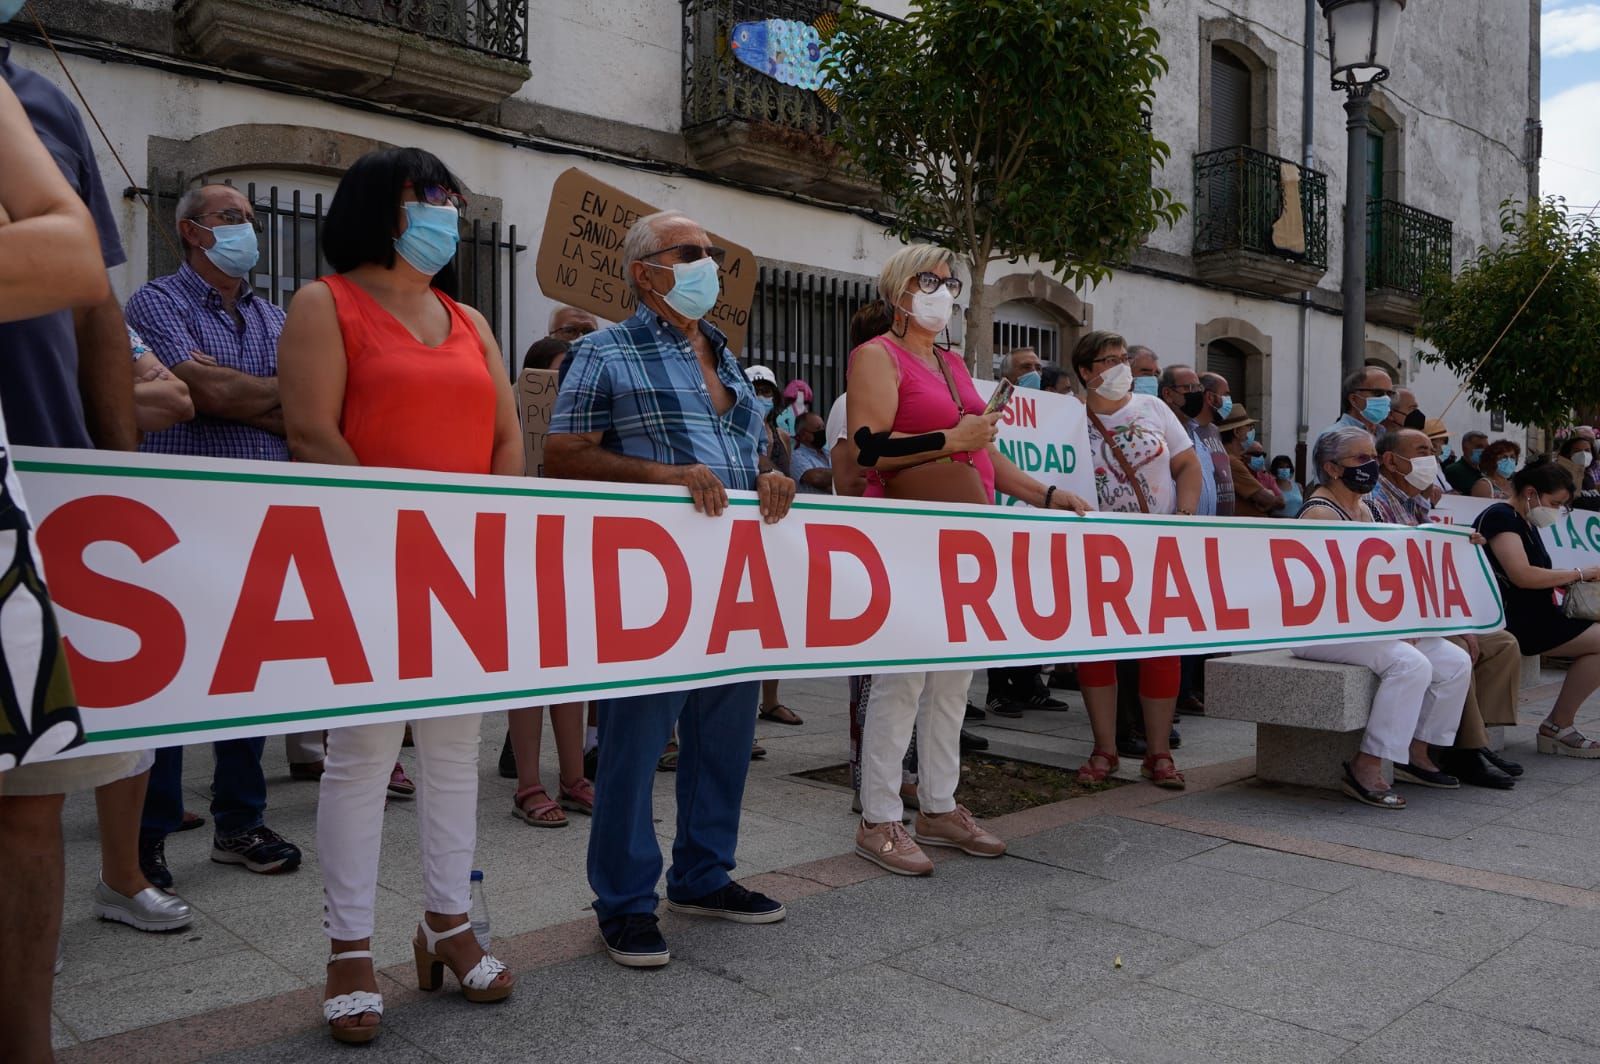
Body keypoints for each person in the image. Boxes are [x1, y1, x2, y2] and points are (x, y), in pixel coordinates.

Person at [277, 147, 522, 1040]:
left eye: (452, 199)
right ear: (382, 207)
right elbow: (310, 430)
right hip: (370, 560)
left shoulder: (469, 317)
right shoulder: (324, 303)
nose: (446, 211)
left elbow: (505, 437)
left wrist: (483, 527)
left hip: (460, 567)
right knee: (364, 753)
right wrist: (400, 524)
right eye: (430, 197)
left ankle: (446, 922)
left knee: (457, 749)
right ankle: (349, 947)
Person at [546, 208, 797, 966]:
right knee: (635, 744)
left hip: (730, 580)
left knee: (725, 737)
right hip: (649, 583)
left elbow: (749, 455)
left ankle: (702, 873)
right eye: (690, 253)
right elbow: (561, 453)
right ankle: (623, 901)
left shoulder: (724, 355)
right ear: (643, 271)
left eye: (713, 254)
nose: (707, 265)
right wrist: (664, 479)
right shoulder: (603, 351)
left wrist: (770, 477)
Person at [846, 243, 1089, 876]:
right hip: (906, 533)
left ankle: (939, 804)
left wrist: (1048, 494)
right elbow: (870, 448)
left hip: (965, 537)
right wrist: (950, 439)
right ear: (898, 289)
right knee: (902, 679)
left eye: (950, 282)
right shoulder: (876, 357)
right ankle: (878, 818)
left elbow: (984, 452)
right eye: (930, 280)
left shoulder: (953, 364)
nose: (942, 291)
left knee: (954, 677)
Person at [0, 69, 149, 1064]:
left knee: (27, 808)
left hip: (35, 499)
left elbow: (89, 292)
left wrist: (123, 487)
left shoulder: (36, 103)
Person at [124, 182, 306, 887]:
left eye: (250, 220)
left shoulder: (277, 314)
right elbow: (198, 395)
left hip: (260, 518)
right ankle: (150, 830)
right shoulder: (154, 303)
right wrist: (255, 393)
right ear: (192, 233)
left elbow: (299, 404)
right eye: (232, 219)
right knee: (167, 675)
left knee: (244, 675)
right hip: (179, 519)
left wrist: (225, 394)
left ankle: (240, 821)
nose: (248, 230)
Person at [1290, 426, 1470, 808]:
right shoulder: (1321, 514)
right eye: (1360, 459)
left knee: (1454, 662)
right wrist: (1396, 631)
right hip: (1322, 630)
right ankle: (1366, 766)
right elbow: (1330, 592)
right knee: (1410, 664)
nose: (1371, 466)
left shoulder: (1366, 509)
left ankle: (1417, 754)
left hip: (1366, 624)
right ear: (1331, 468)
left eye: (1373, 456)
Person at [1071, 330, 1201, 789]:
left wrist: (1184, 516)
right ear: (1085, 372)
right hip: (1093, 550)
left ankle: (1158, 753)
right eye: (1109, 360)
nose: (1121, 367)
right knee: (1096, 650)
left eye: (1124, 358)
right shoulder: (1066, 417)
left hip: (1156, 545)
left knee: (1160, 648)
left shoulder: (1154, 409)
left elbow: (1186, 464)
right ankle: (1104, 748)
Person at [1367, 429, 1524, 788]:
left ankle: (1474, 739)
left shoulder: (1417, 502)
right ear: (1391, 461)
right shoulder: (1375, 504)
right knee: (1457, 652)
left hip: (1428, 610)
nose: (1432, 458)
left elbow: (1432, 568)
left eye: (1433, 451)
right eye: (1422, 451)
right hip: (1404, 616)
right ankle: (1466, 750)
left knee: (1501, 644)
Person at [1475, 459, 1600, 758]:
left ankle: (1559, 724)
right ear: (1531, 492)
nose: (1555, 511)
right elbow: (1522, 574)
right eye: (1554, 503)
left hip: (1535, 615)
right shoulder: (1501, 517)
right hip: (1517, 620)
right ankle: (1558, 725)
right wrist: (1579, 574)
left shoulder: (1522, 521)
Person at [1220, 404, 1281, 518]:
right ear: (1237, 432)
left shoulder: (1228, 458)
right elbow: (1270, 500)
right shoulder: (1232, 462)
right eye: (1249, 427)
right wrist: (1271, 496)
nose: (1252, 431)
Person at [1326, 366, 1396, 441]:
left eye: (1389, 393)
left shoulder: (1382, 434)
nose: (1386, 399)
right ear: (1354, 399)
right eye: (1378, 393)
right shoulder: (1336, 437)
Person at [790, 410, 832, 494]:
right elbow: (815, 478)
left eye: (823, 427)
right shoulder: (797, 457)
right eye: (818, 428)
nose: (823, 431)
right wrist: (844, 474)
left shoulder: (829, 454)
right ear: (803, 435)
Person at [1445, 429, 1489, 494]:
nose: (1484, 451)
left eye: (1487, 447)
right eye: (1479, 447)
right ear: (1465, 447)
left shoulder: (1485, 471)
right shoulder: (1453, 471)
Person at [1556, 431, 1595, 497]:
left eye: (1587, 450)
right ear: (1568, 454)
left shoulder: (1588, 476)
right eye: (1577, 451)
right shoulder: (1561, 475)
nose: (1583, 454)